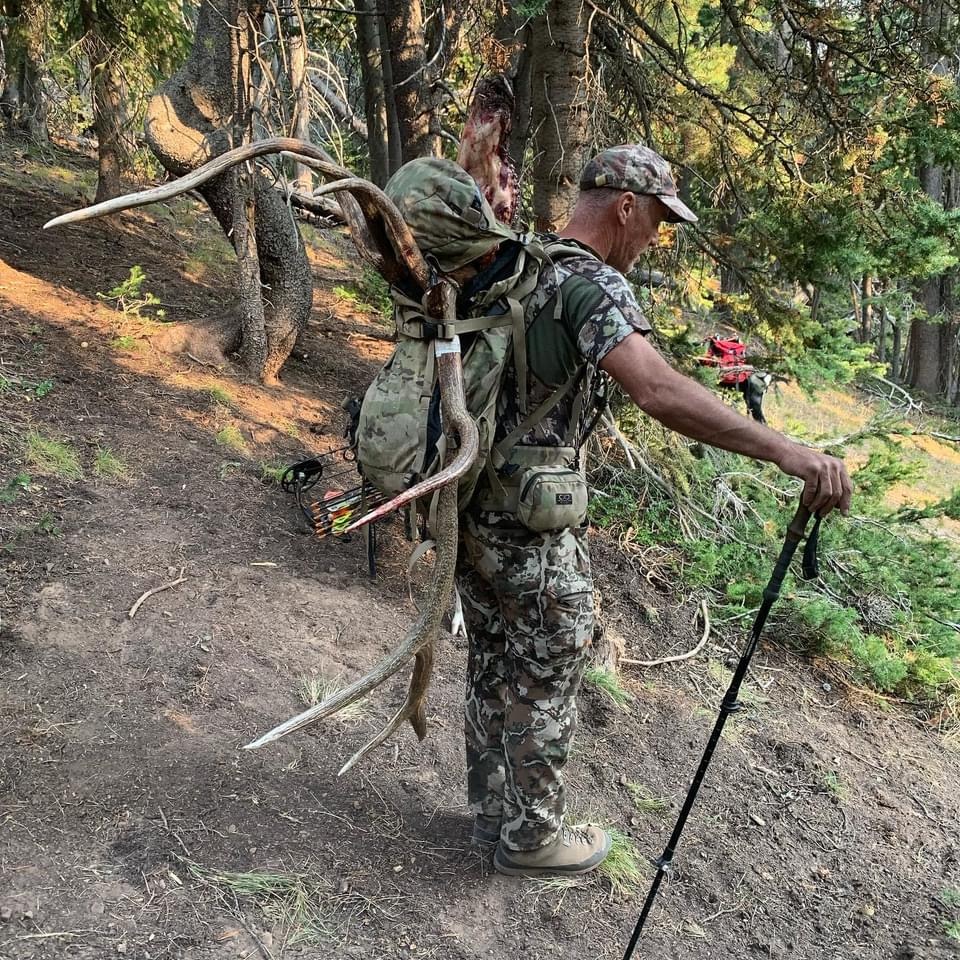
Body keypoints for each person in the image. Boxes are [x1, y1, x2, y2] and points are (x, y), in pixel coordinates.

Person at [453, 144, 853, 878]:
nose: (655, 237)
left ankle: (490, 809)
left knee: (493, 656)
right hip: (529, 518)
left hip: (471, 502)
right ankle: (532, 838)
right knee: (549, 661)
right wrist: (787, 450)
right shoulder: (592, 286)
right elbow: (658, 391)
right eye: (657, 220)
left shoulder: (519, 261)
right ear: (625, 207)